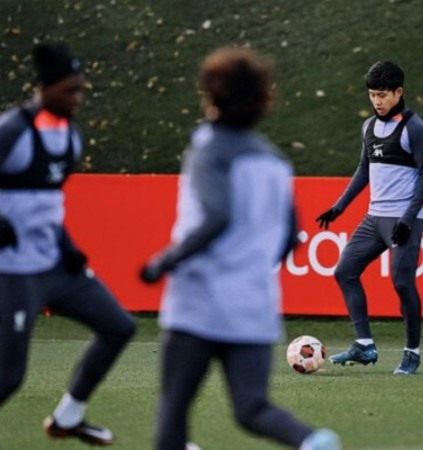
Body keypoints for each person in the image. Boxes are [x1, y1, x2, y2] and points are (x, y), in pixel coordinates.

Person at [140, 47, 341, 450]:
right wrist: (249, 268)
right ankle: (313, 441)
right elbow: (289, 237)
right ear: (262, 103)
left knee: (174, 411)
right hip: (253, 304)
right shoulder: (275, 161)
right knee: (251, 408)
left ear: (211, 97)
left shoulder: (208, 148)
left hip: (198, 302)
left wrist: (166, 260)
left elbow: (217, 217)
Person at [0, 42, 136, 445]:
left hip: (55, 266)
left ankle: (67, 419)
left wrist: (68, 246)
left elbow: (45, 206)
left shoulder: (69, 139)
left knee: (118, 326)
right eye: (69, 90)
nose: (76, 99)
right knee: (7, 377)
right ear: (43, 88)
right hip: (13, 271)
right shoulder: (12, 133)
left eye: (80, 90)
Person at [316, 60, 423, 375]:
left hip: (402, 221)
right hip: (374, 219)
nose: (377, 101)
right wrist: (339, 206)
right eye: (372, 95)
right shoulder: (368, 126)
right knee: (344, 271)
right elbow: (364, 169)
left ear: (399, 92)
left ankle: (412, 352)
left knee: (401, 282)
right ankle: (365, 345)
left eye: (383, 95)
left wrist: (408, 218)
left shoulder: (414, 128)